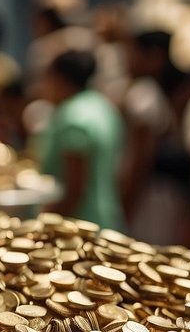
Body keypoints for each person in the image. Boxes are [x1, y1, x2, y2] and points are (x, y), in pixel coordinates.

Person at [120, 29, 190, 246]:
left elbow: (141, 159)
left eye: (133, 53)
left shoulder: (144, 94)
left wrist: (127, 203)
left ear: (154, 57)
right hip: (162, 196)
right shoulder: (157, 92)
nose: (127, 59)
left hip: (150, 198)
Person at [33, 50, 125, 231]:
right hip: (107, 215)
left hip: (80, 224)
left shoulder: (73, 117)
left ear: (59, 79)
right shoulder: (103, 106)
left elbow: (74, 190)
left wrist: (45, 226)